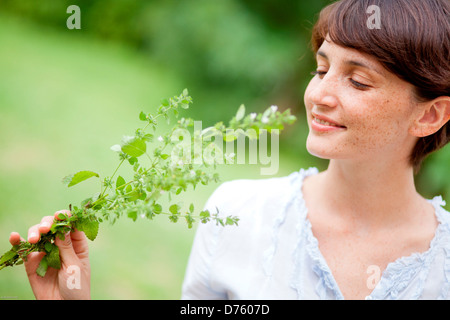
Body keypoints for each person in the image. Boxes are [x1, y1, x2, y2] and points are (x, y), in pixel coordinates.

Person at [9, 0, 450, 300]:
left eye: (357, 80)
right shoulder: (239, 214)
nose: (319, 95)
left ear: (430, 115)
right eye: (321, 68)